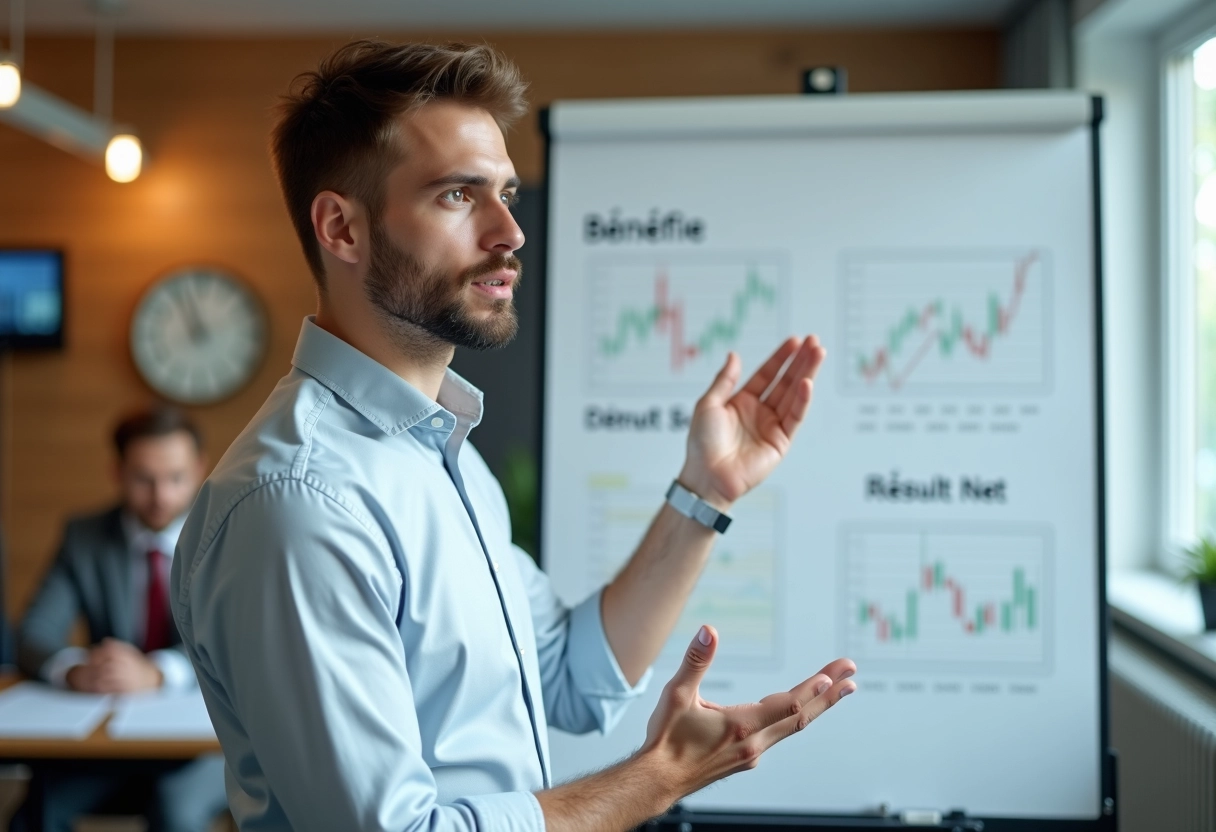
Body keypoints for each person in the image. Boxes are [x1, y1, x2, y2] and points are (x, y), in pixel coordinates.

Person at [171, 40, 857, 832]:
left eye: (505, 193)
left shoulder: (438, 455)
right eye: (460, 196)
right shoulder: (299, 503)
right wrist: (659, 778)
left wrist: (703, 493)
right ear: (342, 229)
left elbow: (574, 677)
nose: (510, 232)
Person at [13, 406, 228, 832]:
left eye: (176, 478)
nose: (160, 495)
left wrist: (157, 672)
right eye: (143, 479)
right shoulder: (84, 536)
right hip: (108, 744)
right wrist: (74, 670)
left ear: (200, 468)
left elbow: (235, 642)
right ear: (117, 471)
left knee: (177, 813)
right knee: (36, 811)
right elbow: (35, 632)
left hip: (206, 746)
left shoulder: (226, 538)